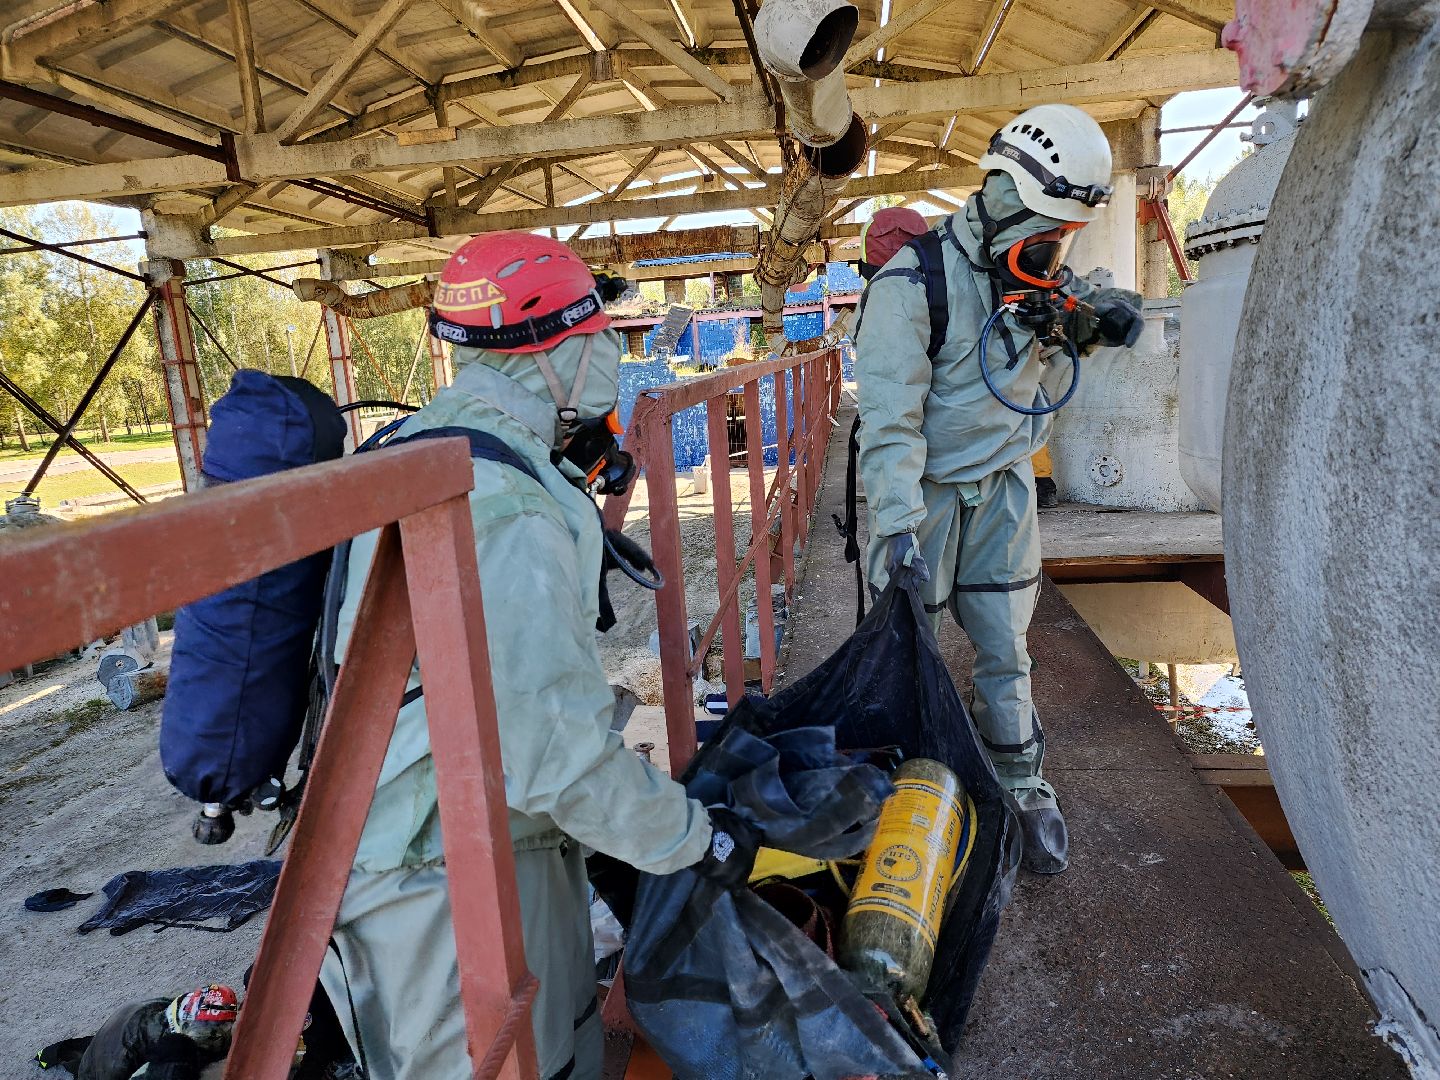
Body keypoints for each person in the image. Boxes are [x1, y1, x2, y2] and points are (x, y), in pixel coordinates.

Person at [321, 232, 754, 1079]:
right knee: (536, 1060)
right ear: (550, 348)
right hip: (444, 875)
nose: (612, 353)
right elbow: (555, 758)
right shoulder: (507, 509)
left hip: (412, 834)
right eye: (602, 336)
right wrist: (696, 841)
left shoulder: (426, 443)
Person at [854, 103, 1144, 875]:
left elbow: (1067, 325)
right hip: (927, 492)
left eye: (1063, 236)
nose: (1051, 251)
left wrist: (1095, 320)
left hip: (1007, 489)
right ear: (1004, 192)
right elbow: (888, 423)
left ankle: (1018, 782)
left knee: (1004, 646)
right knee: (901, 648)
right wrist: (897, 526)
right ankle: (899, 787)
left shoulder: (1039, 271)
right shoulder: (911, 285)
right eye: (1045, 228)